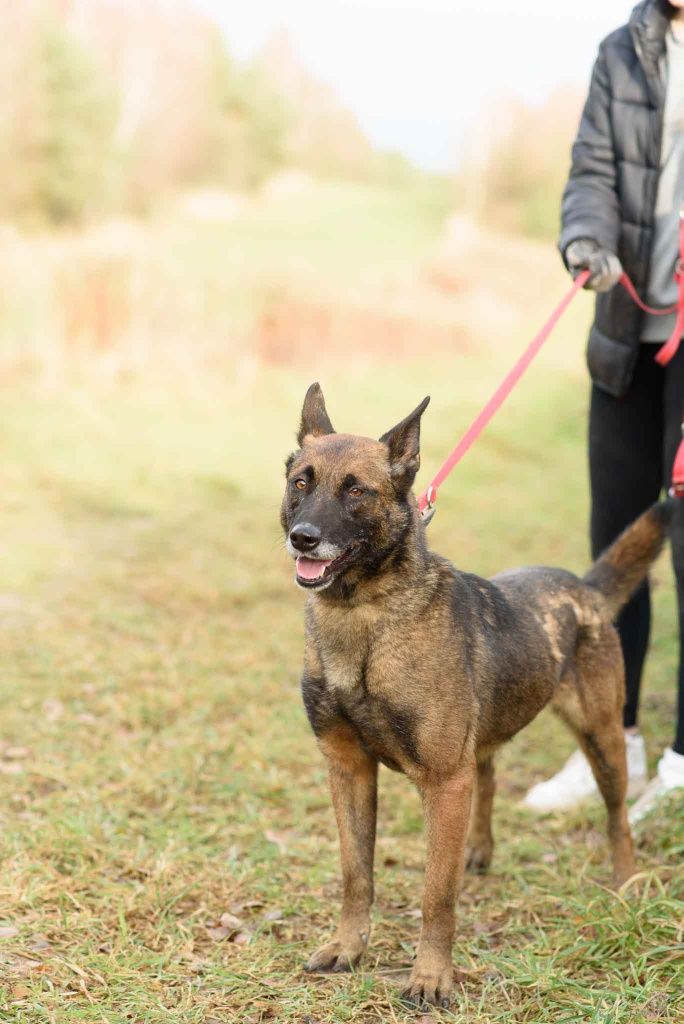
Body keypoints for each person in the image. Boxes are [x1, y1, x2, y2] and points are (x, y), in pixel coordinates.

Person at [523, 0, 684, 822]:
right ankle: (610, 743)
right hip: (626, 334)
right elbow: (591, 174)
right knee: (616, 550)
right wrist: (585, 240)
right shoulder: (623, 51)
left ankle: (683, 764)